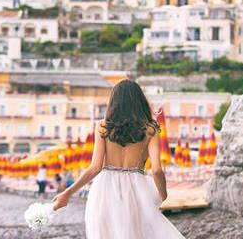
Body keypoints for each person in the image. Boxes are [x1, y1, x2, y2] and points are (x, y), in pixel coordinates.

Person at [53, 79, 184, 239]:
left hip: (105, 188)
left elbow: (95, 167)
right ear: (140, 101)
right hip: (137, 190)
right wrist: (163, 194)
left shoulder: (103, 127)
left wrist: (67, 193)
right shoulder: (151, 129)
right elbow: (156, 169)